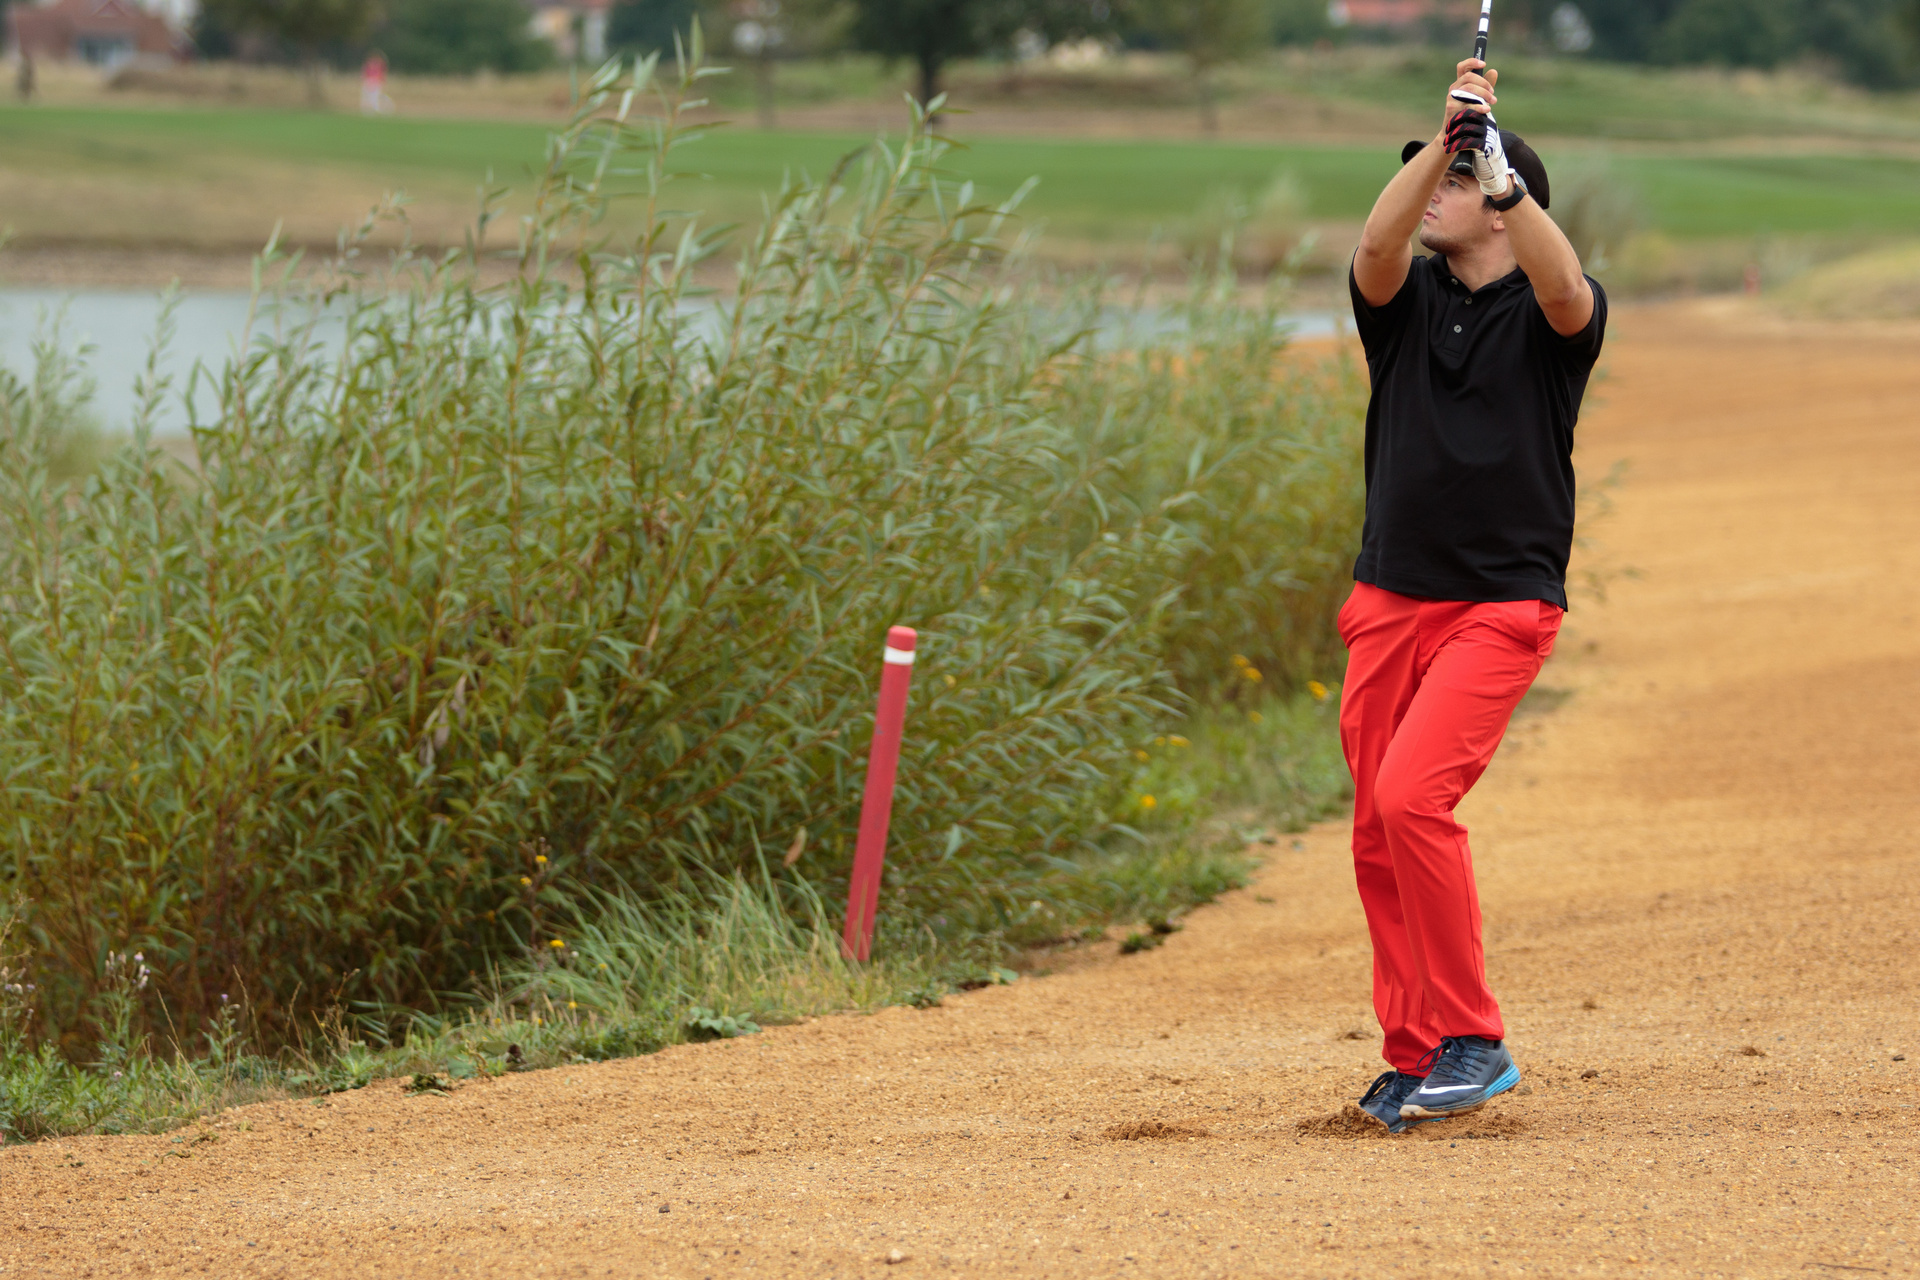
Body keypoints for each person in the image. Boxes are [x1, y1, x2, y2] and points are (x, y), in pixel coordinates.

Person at [1340, 55, 1606, 1133]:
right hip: (1389, 599)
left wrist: (1497, 173)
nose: (1432, 193)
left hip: (1500, 603)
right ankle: (1416, 1054)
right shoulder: (1403, 304)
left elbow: (1565, 284)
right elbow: (1374, 245)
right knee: (1376, 829)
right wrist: (1444, 133)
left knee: (1413, 799)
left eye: (1452, 181)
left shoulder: (1552, 319)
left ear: (1502, 203)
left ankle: (1472, 1038)